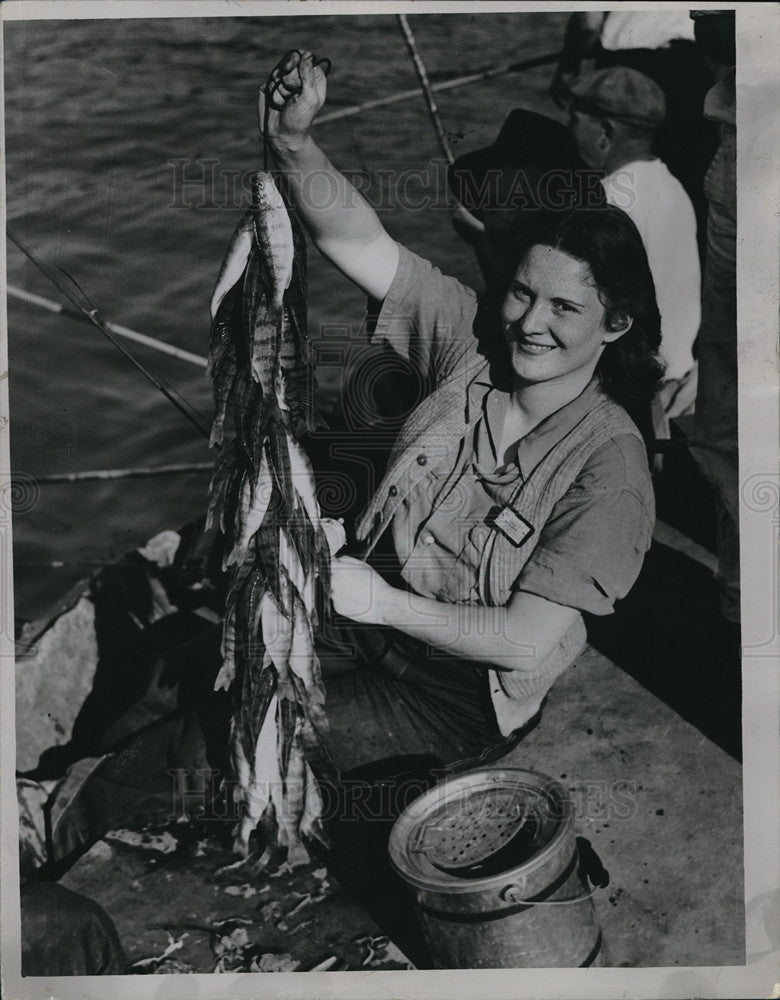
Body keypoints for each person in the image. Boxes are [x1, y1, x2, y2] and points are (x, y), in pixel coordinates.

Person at [261, 51, 663, 779]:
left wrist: (381, 602)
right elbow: (359, 241)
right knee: (208, 670)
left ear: (617, 325)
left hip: (457, 690)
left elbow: (524, 642)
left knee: (246, 734)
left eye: (566, 307)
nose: (529, 324)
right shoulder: (472, 338)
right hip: (369, 612)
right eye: (521, 293)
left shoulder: (613, 472)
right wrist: (294, 142)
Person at [567, 66, 701, 432]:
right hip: (680, 374)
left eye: (575, 122)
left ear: (605, 133)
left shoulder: (609, 200)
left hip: (641, 389)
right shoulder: (672, 186)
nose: (570, 132)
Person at [550, 9, 718, 244]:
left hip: (632, 68)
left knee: (611, 189)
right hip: (695, 71)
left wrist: (569, 62)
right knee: (688, 193)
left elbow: (588, 24)